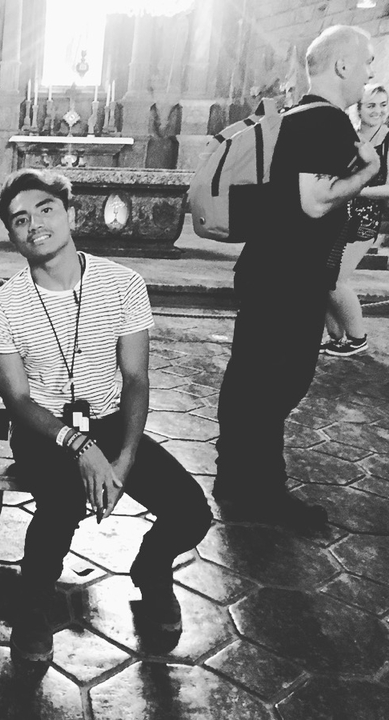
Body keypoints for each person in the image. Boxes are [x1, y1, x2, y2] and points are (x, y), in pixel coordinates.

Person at [0, 169, 212, 664]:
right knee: (62, 505)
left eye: (45, 209)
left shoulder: (122, 284)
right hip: (43, 430)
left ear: (70, 213)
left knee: (192, 512)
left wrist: (124, 457)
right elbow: (19, 402)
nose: (34, 224)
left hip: (107, 422)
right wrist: (79, 445)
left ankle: (150, 570)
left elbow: (135, 380)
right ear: (12, 234)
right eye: (20, 219)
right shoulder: (2, 306)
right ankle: (32, 606)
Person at [214, 25, 380, 530]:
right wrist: (365, 173)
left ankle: (234, 479)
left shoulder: (292, 117)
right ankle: (263, 495)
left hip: (267, 270)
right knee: (277, 385)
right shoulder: (326, 122)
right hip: (289, 280)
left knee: (250, 381)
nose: (371, 71)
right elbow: (313, 202)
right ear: (343, 66)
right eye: (367, 61)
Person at [322, 82, 389, 357]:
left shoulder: (388, 139)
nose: (378, 111)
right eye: (371, 105)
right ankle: (336, 338)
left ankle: (358, 338)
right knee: (321, 277)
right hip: (335, 216)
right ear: (358, 108)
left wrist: (356, 188)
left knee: (335, 280)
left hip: (364, 220)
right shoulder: (349, 135)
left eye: (383, 105)